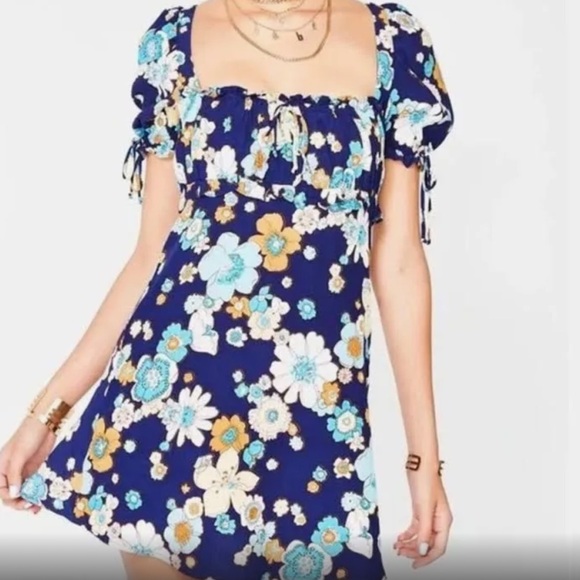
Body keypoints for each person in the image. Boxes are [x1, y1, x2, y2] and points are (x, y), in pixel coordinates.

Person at [0, 0, 454, 578]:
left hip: (314, 422)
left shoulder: (395, 42)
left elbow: (400, 262)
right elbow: (151, 256)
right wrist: (46, 415)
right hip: (168, 413)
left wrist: (424, 461)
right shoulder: (175, 41)